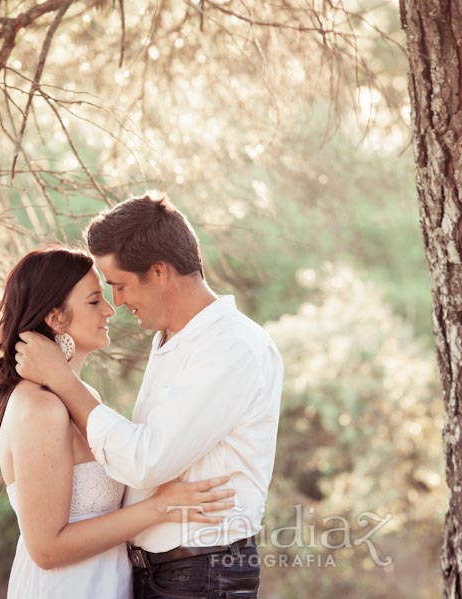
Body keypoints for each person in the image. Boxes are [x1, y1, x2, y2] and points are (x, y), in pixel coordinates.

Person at [15, 194, 284, 599]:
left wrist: (63, 381)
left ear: (158, 272)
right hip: (157, 573)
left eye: (119, 286)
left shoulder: (231, 347)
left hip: (201, 573)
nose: (117, 304)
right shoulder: (171, 339)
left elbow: (146, 462)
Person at [0, 246, 235, 599]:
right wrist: (160, 507)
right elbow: (46, 549)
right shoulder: (38, 406)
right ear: (56, 318)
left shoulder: (79, 395)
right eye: (93, 301)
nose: (110, 309)